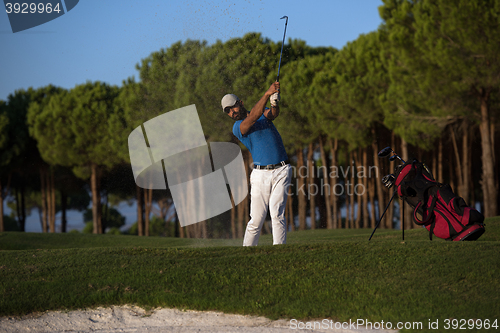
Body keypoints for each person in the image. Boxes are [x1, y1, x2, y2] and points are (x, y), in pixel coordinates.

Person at [221, 81, 292, 246]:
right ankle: (247, 251)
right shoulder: (238, 127)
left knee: (277, 214)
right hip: (260, 175)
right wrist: (267, 94)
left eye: (233, 107)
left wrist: (274, 102)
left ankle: (279, 250)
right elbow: (253, 117)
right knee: (256, 219)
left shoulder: (261, 113)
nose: (232, 112)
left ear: (241, 103)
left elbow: (272, 114)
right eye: (228, 111)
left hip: (282, 169)